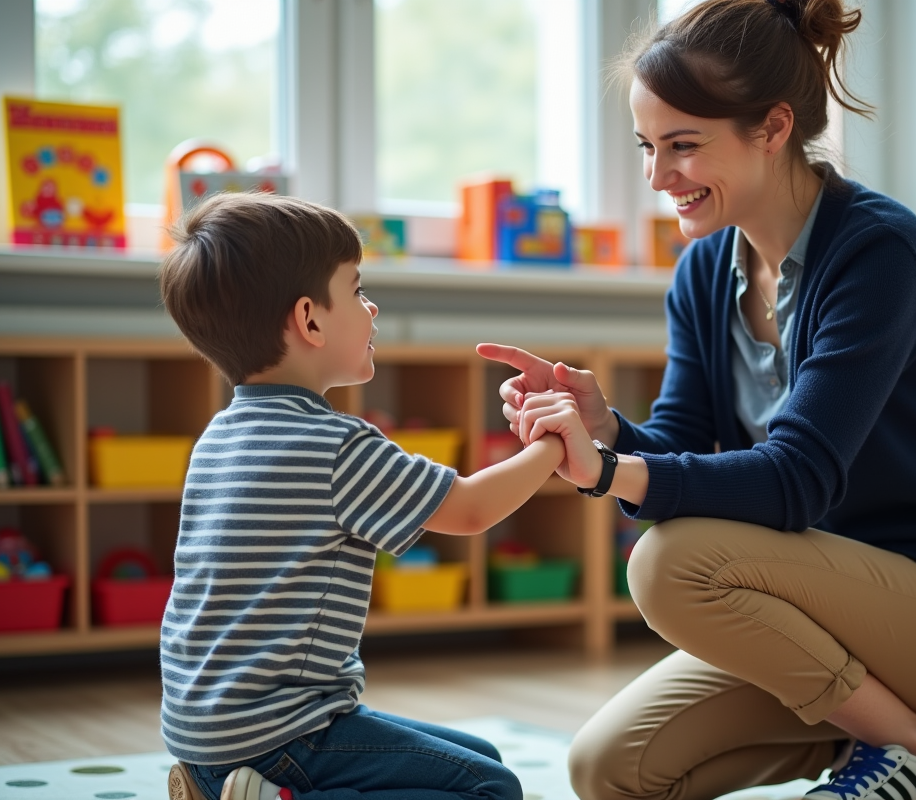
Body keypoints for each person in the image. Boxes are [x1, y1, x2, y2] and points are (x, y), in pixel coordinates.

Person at [478, 1, 916, 799]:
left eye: (683, 145)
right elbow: (684, 442)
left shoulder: (877, 250)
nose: (657, 177)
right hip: (805, 614)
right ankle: (867, 740)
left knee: (667, 563)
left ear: (771, 128)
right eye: (646, 146)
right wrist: (609, 431)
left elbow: (795, 480)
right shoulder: (704, 272)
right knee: (608, 770)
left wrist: (608, 472)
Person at [157, 193, 598, 800]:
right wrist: (555, 438)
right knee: (491, 788)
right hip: (286, 734)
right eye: (357, 290)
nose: (372, 307)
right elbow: (470, 508)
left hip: (208, 734)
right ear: (310, 320)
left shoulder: (219, 436)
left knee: (482, 757)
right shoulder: (335, 445)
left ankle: (228, 788)